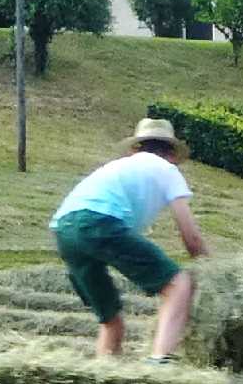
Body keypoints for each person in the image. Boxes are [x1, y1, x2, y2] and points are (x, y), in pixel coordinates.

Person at [51, 117, 210, 361]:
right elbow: (192, 238)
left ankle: (105, 372)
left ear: (135, 149)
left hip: (64, 229)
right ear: (171, 154)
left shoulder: (117, 166)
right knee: (179, 284)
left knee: (111, 320)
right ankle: (160, 360)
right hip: (100, 222)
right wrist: (211, 270)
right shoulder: (167, 170)